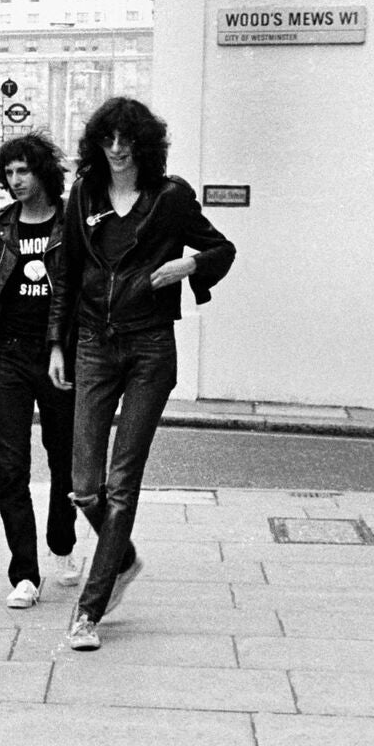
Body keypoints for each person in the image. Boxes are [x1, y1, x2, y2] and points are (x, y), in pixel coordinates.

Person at [48, 97, 235, 650]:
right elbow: (66, 270)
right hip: (92, 344)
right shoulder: (83, 195)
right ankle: (122, 559)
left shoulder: (170, 197)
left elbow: (222, 248)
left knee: (121, 484)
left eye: (127, 139)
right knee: (84, 488)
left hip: (150, 348)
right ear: (97, 144)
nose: (117, 147)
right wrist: (57, 344)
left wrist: (191, 264)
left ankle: (88, 611)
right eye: (108, 138)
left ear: (143, 144)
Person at [0, 132, 79, 610]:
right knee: (11, 468)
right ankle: (25, 573)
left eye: (23, 171)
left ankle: (63, 541)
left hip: (59, 356)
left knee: (63, 459)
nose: (14, 181)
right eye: (8, 173)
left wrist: (61, 346)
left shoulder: (71, 223)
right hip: (8, 356)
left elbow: (75, 292)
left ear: (42, 171)